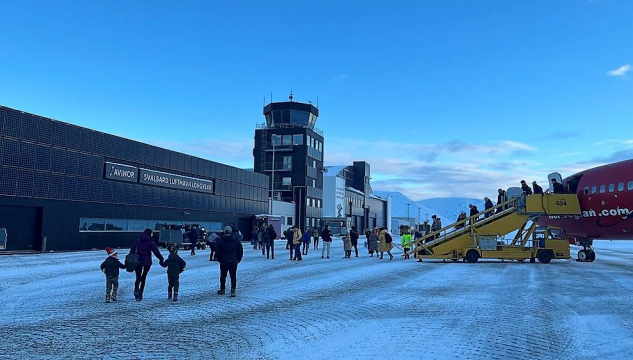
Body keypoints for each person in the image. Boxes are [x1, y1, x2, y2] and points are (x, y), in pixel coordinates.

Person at [130, 229, 165, 301]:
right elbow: (156, 251)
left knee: (138, 277)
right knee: (143, 277)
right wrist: (161, 258)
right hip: (147, 262)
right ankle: (140, 293)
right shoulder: (151, 242)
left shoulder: (138, 241)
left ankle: (136, 290)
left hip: (137, 261)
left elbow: (132, 251)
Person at [215, 226, 244, 297]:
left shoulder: (221, 240)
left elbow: (217, 251)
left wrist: (219, 259)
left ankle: (222, 289)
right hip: (233, 260)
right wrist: (238, 259)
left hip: (224, 260)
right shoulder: (236, 240)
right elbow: (240, 250)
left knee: (223, 276)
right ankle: (233, 290)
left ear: (224, 232)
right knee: (233, 276)